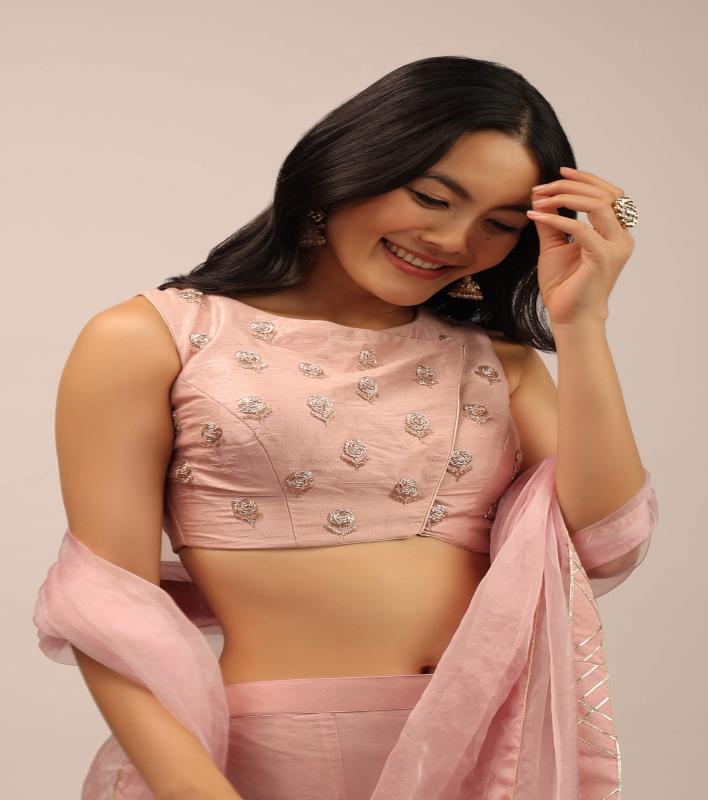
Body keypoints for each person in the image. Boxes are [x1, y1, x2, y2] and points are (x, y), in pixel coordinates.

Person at [33, 55, 658, 799]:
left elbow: (603, 539)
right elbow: (109, 606)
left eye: (498, 224)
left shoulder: (498, 361)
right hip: (275, 760)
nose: (454, 240)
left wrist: (583, 322)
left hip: (488, 755)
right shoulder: (154, 340)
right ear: (349, 167)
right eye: (433, 197)